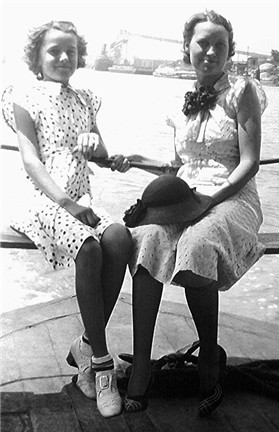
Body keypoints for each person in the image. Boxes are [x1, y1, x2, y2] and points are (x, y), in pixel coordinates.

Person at [112, 10, 267, 416]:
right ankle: (142, 366)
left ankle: (210, 363)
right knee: (145, 240)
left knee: (198, 245)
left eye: (220, 44)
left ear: (230, 52)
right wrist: (136, 159)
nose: (211, 51)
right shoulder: (184, 102)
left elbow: (249, 163)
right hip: (185, 197)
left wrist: (210, 200)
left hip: (232, 198)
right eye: (203, 43)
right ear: (188, 49)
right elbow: (177, 165)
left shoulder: (243, 92)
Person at [1, 20, 132, 418]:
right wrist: (66, 204)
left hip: (81, 195)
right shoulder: (23, 96)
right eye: (53, 51)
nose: (62, 58)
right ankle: (101, 365)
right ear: (37, 58)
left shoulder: (86, 98)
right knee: (90, 249)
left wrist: (97, 146)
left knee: (120, 239)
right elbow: (30, 159)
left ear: (79, 57)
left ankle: (86, 345)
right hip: (42, 198)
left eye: (70, 52)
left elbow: (101, 152)